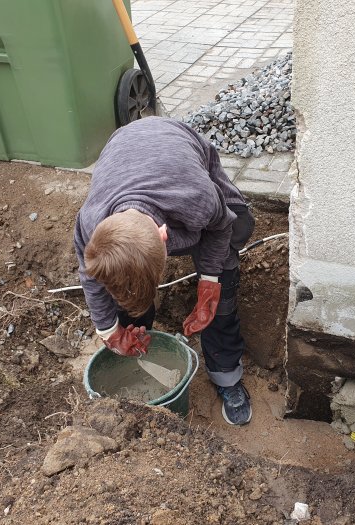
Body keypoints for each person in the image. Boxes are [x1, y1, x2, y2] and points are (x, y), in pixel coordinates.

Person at [74, 116, 255, 425]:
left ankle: (226, 376)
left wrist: (210, 281)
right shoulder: (91, 222)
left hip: (177, 150)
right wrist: (109, 330)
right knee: (121, 298)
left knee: (237, 238)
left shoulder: (196, 198)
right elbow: (89, 277)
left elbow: (220, 225)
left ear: (164, 236)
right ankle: (140, 342)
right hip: (123, 149)